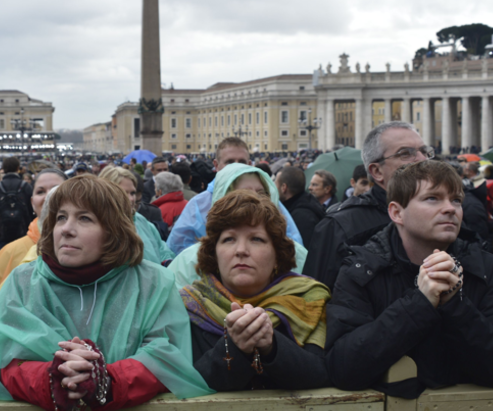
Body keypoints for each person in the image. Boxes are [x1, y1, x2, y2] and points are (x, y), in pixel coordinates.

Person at [0, 176, 213, 411]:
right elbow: (0, 356)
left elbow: (167, 352)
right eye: (60, 217)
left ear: (113, 229)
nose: (66, 228)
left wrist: (105, 381)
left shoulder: (152, 282)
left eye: (84, 218)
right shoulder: (23, 282)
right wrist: (52, 377)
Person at [325, 160, 493, 411]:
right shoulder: (360, 268)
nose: (450, 209)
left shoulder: (481, 267)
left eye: (457, 200)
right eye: (433, 199)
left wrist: (454, 305)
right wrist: (419, 303)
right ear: (397, 212)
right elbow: (343, 365)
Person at [181, 190, 330, 411]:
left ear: (278, 255)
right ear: (214, 253)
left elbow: (321, 373)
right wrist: (234, 347)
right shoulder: (187, 306)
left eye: (257, 240)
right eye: (229, 239)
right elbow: (190, 384)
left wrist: (271, 345)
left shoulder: (309, 299)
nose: (241, 250)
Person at [303, 122, 430, 290]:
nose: (422, 159)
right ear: (377, 171)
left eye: (425, 151)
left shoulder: (447, 215)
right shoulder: (338, 227)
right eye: (405, 153)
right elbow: (315, 299)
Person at [170, 163, 309, 290]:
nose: (256, 199)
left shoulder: (296, 254)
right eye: (229, 239)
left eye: (262, 193)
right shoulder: (189, 262)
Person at [167, 137, 304, 254]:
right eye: (230, 162)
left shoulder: (268, 200)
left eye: (242, 162)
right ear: (216, 165)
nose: (236, 167)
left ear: (250, 164)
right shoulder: (199, 204)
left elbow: (292, 245)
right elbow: (178, 250)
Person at [0, 168, 66, 306]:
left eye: (56, 189)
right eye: (40, 191)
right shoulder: (9, 253)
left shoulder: (89, 251)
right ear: (32, 203)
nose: (48, 196)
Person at [99, 166, 174, 263]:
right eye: (123, 193)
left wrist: (167, 262)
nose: (131, 199)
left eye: (132, 193)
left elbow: (161, 248)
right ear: (106, 193)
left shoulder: (141, 220)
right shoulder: (98, 228)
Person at [0, 157, 34, 257]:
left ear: (3, 168)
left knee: (3, 261)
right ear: (17, 168)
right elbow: (32, 208)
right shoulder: (25, 186)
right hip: (23, 232)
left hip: (1, 232)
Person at [276, 166, 324, 248]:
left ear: (284, 187)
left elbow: (302, 251)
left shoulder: (302, 216)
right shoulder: (305, 203)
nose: (273, 188)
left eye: (275, 183)